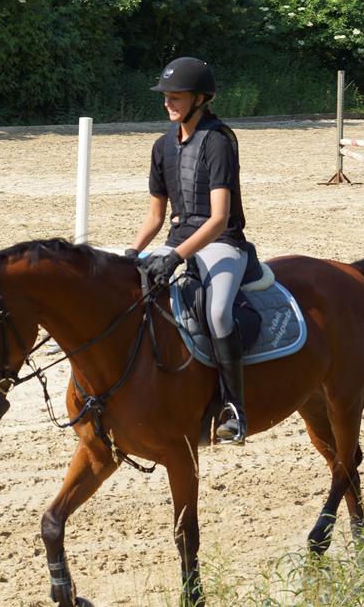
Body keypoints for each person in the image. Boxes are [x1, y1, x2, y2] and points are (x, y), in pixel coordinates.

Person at [127, 56, 250, 445]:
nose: (168, 104)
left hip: (222, 244)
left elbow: (217, 219)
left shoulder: (218, 141)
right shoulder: (162, 145)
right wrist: (132, 251)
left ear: (201, 98)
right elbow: (155, 216)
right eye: (165, 98)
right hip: (174, 241)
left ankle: (234, 409)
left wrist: (176, 256)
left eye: (176, 98)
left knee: (216, 313)